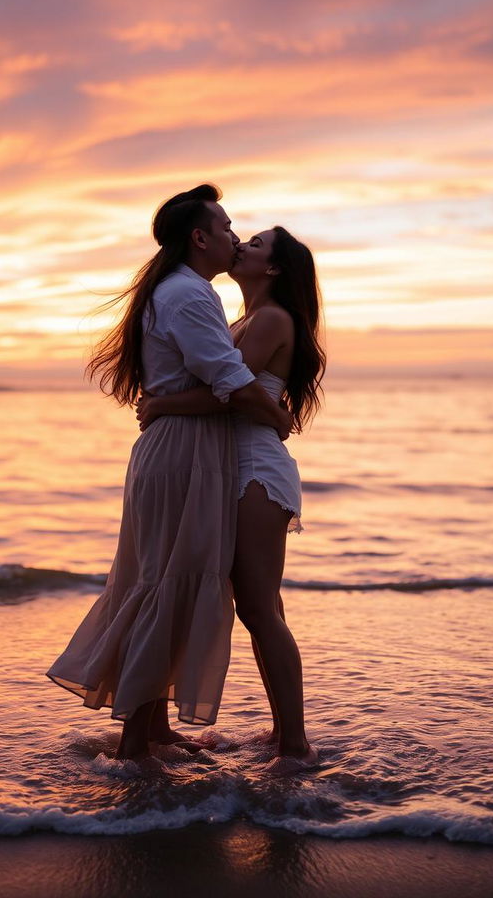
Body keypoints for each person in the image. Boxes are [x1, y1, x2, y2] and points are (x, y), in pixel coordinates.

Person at [46, 185, 292, 761]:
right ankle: (136, 744)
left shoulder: (183, 291)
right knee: (165, 582)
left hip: (184, 448)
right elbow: (228, 378)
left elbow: (217, 375)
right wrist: (275, 414)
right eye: (228, 228)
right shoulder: (190, 295)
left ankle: (151, 729)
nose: (234, 237)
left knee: (162, 578)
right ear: (199, 237)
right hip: (184, 451)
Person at [137, 226, 325, 770]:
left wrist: (162, 407)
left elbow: (231, 396)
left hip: (253, 472)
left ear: (273, 269)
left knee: (260, 608)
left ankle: (294, 744)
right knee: (261, 607)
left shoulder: (268, 319)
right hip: (230, 468)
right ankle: (284, 733)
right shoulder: (239, 319)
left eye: (258, 244)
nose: (242, 244)